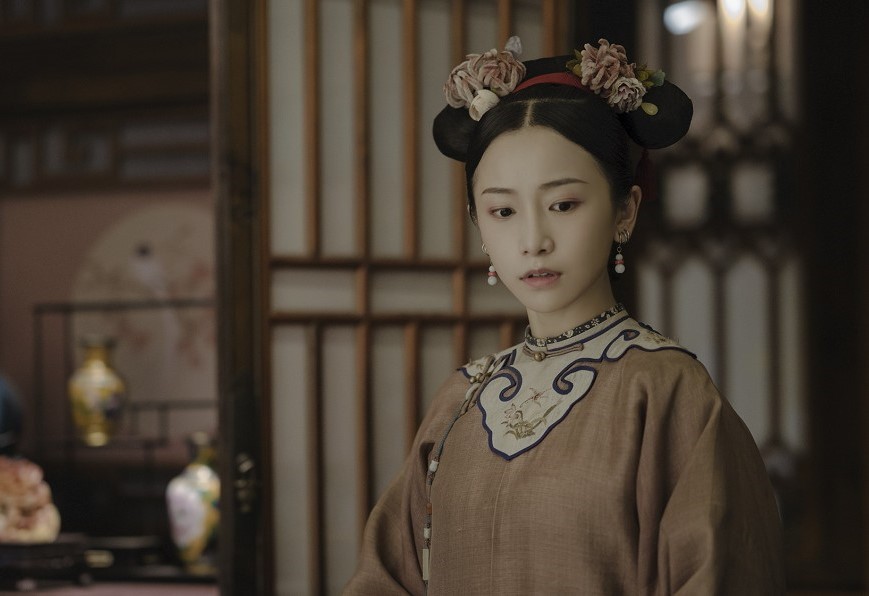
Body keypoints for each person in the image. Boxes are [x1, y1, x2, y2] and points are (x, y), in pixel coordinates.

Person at [344, 37, 784, 595]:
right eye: (503, 210)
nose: (533, 240)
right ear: (479, 224)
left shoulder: (667, 391)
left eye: (563, 204)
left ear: (625, 210)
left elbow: (719, 574)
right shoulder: (460, 400)